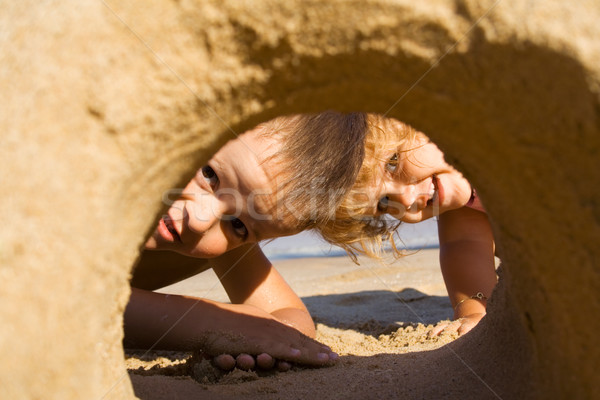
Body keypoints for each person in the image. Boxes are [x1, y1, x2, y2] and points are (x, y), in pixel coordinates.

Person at [125, 111, 368, 371]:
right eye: (209, 175)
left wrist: (252, 336)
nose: (200, 221)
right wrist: (213, 323)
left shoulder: (209, 221)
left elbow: (291, 322)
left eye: (238, 226)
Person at [320, 115, 497, 336]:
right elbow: (465, 244)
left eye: (393, 162)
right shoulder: (463, 207)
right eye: (384, 202)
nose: (405, 200)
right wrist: (475, 312)